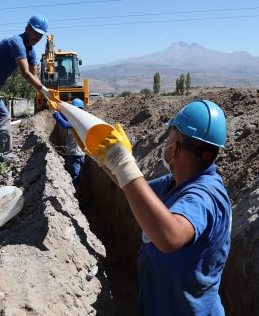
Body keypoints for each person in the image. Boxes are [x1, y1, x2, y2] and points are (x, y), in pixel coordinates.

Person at [94, 99, 231, 315]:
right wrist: (101, 157)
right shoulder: (174, 183)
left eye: (170, 136)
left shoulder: (205, 196)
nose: (166, 142)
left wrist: (123, 162)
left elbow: (170, 237)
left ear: (175, 148)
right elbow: (134, 189)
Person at [0, 14, 54, 162]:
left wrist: (44, 95)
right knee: (2, 115)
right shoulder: (16, 43)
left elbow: (34, 75)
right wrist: (45, 91)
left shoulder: (30, 50)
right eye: (35, 32)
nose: (37, 37)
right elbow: (25, 73)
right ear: (27, 28)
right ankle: (6, 155)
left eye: (41, 35)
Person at [52, 98, 86, 189]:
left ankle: (76, 196)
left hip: (75, 154)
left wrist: (54, 113)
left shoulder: (79, 121)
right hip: (77, 153)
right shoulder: (77, 118)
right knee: (76, 174)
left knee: (75, 176)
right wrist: (59, 110)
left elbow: (65, 124)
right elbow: (65, 119)